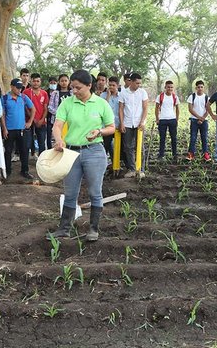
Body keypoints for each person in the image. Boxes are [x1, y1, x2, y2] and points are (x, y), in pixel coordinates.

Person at [49, 70, 115, 241]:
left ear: (89, 86)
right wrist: (59, 139)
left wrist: (99, 131)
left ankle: (93, 229)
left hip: (94, 152)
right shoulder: (67, 103)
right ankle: (64, 229)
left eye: (78, 88)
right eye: (72, 88)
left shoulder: (101, 104)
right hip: (70, 153)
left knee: (95, 192)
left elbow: (111, 127)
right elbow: (57, 125)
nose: (74, 91)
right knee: (70, 193)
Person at [1, 78, 35, 180]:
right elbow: (2, 114)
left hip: (22, 129)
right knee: (8, 151)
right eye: (17, 88)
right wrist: (4, 128)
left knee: (24, 150)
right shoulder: (5, 98)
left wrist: (30, 122)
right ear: (11, 86)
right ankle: (7, 171)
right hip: (9, 129)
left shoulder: (23, 97)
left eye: (20, 88)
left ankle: (25, 170)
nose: (19, 90)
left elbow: (33, 109)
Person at [118, 73, 149, 178]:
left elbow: (145, 108)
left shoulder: (142, 92)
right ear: (130, 81)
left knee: (140, 146)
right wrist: (122, 123)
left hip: (139, 123)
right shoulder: (123, 93)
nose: (139, 85)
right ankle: (131, 169)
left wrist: (143, 121)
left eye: (140, 83)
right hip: (127, 123)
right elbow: (121, 109)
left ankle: (141, 169)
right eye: (137, 83)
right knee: (128, 147)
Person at [186, 80, 211, 162]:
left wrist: (202, 118)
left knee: (204, 138)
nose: (200, 88)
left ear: (204, 88)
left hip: (204, 121)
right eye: (198, 87)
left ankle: (206, 154)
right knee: (193, 137)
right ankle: (191, 154)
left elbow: (208, 109)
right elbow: (190, 109)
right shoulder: (192, 96)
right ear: (196, 88)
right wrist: (199, 117)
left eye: (201, 87)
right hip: (194, 120)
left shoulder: (207, 97)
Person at [24, 72, 48, 155]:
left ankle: (42, 160)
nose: (36, 83)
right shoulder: (26, 92)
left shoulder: (44, 93)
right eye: (34, 81)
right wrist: (32, 119)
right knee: (28, 142)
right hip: (29, 121)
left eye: (38, 81)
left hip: (41, 121)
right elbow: (26, 107)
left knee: (41, 142)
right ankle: (27, 160)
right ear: (31, 81)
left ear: (40, 82)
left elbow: (45, 108)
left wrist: (41, 120)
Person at [155, 80, 179, 160]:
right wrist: (157, 118)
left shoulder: (175, 97)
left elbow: (177, 108)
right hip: (162, 120)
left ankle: (174, 154)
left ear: (173, 88)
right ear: (165, 87)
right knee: (162, 138)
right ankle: (161, 154)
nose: (170, 88)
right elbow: (156, 108)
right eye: (168, 87)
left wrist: (177, 119)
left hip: (172, 119)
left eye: (171, 87)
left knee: (174, 138)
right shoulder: (160, 96)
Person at [101, 77, 121, 160]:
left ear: (118, 86)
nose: (111, 87)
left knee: (119, 147)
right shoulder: (103, 95)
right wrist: (108, 96)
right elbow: (102, 108)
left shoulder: (121, 96)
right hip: (107, 126)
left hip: (118, 124)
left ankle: (116, 165)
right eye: (110, 85)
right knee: (106, 145)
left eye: (113, 85)